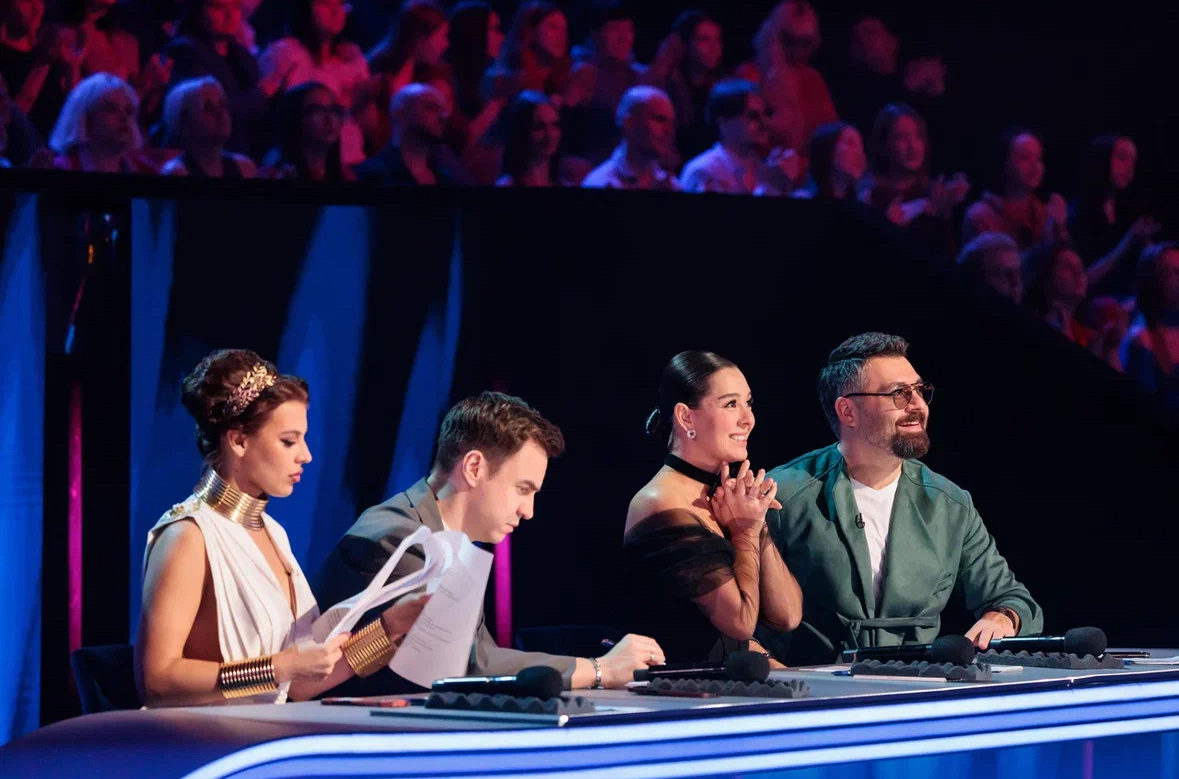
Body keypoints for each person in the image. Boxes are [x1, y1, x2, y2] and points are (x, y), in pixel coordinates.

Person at [315, 391, 664, 695]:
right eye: (523, 489)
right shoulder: (398, 538)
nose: (528, 511)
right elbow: (463, 665)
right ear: (473, 467)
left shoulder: (452, 541)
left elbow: (484, 659)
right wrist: (599, 669)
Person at [135, 349, 428, 707]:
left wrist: (388, 629)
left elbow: (298, 685)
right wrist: (278, 667)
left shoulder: (273, 533)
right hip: (204, 737)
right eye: (289, 441)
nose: (306, 455)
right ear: (239, 440)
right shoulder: (188, 536)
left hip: (266, 731)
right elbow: (157, 679)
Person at [760, 333, 1043, 665]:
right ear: (848, 411)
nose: (918, 405)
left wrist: (1002, 618)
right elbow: (738, 618)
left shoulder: (949, 504)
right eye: (899, 393)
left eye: (920, 391)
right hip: (813, 686)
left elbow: (1011, 599)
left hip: (916, 685)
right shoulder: (781, 495)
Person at [624, 351, 802, 664]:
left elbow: (787, 616)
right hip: (677, 687)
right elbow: (740, 624)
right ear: (686, 417)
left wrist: (756, 521)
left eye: (748, 403)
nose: (748, 419)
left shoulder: (725, 498)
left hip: (726, 679)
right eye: (730, 404)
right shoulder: (661, 503)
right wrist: (745, 532)